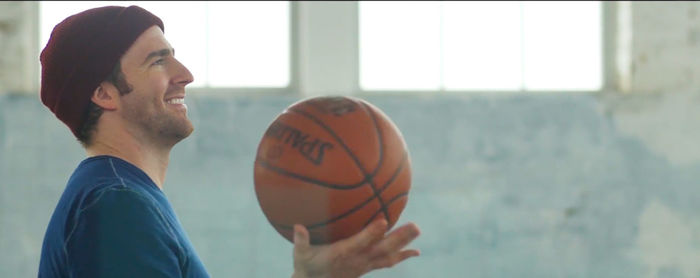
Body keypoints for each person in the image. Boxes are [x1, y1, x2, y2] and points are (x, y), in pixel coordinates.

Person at [38, 5, 421, 278]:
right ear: (105, 95)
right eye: (158, 61)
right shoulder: (116, 206)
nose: (185, 74)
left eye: (175, 57)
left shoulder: (118, 195)